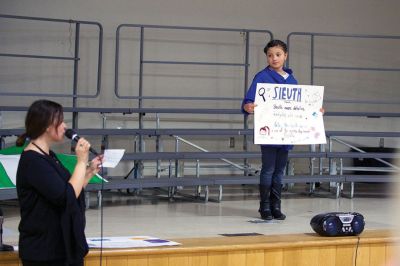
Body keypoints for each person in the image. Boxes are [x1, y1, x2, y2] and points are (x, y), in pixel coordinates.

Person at [16, 99, 103, 266]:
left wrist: (89, 172)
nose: (65, 126)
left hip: (61, 246)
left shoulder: (48, 155)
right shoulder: (33, 161)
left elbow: (67, 191)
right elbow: (65, 197)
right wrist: (80, 161)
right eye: (61, 121)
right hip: (44, 251)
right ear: (47, 126)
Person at [242, 40, 297, 221]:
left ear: (285, 56)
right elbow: (248, 100)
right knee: (268, 169)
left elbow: (301, 105)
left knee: (280, 171)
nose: (274, 58)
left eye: (278, 55)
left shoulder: (292, 80)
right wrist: (248, 106)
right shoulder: (262, 77)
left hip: (286, 132)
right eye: (270, 55)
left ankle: (276, 206)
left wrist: (315, 110)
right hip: (269, 130)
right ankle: (264, 207)